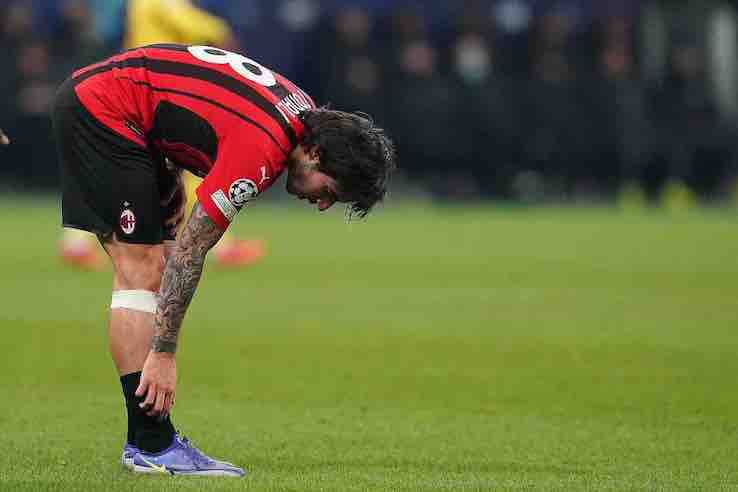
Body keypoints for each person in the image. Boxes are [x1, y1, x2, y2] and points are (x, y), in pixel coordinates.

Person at [52, 43, 396, 476]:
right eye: (331, 190)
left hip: (128, 112)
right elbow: (194, 250)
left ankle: (146, 442)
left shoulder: (300, 113)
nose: (324, 204)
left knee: (159, 264)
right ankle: (152, 445)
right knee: (142, 269)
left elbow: (195, 102)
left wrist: (170, 177)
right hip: (104, 111)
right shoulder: (264, 149)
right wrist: (164, 353)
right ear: (315, 154)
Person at [60, 0, 261, 269]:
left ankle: (77, 242)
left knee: (148, 168)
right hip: (149, 90)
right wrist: (220, 31)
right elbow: (187, 21)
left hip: (150, 88)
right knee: (179, 165)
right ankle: (220, 246)